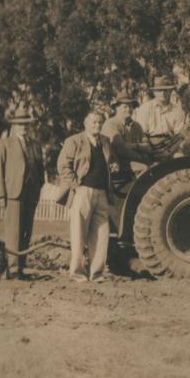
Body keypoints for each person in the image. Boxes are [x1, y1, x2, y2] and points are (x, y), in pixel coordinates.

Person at [57, 107, 118, 282]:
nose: (97, 125)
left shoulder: (106, 142)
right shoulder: (74, 141)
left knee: (101, 234)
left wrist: (114, 166)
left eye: (100, 122)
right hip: (83, 192)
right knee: (78, 234)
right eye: (94, 122)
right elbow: (63, 166)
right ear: (85, 124)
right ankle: (77, 273)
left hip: (102, 194)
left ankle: (96, 273)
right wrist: (76, 185)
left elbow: (111, 162)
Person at [0, 106, 45, 280]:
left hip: (31, 194)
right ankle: (13, 269)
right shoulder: (5, 144)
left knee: (26, 232)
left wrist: (39, 186)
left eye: (26, 124)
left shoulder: (35, 145)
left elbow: (40, 168)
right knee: (13, 232)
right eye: (20, 124)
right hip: (14, 194)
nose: (24, 127)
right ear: (14, 125)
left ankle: (21, 268)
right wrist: (1, 195)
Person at [103, 91, 149, 195]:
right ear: (117, 108)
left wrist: (133, 146)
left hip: (131, 162)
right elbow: (120, 149)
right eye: (125, 106)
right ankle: (139, 196)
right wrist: (140, 155)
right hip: (117, 163)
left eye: (130, 106)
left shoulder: (136, 126)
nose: (128, 109)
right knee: (144, 169)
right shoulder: (111, 124)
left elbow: (147, 146)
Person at [134, 75, 188, 139]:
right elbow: (142, 132)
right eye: (159, 90)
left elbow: (179, 133)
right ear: (154, 92)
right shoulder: (145, 108)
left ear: (170, 91)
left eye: (166, 90)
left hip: (170, 142)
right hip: (149, 143)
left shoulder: (177, 110)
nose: (163, 93)